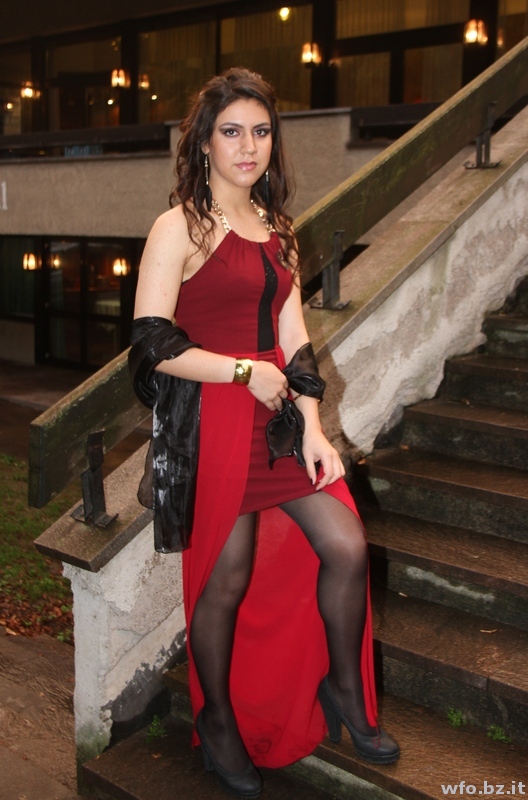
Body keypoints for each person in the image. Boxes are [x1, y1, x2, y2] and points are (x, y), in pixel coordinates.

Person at [130, 67, 399, 800]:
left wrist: (313, 427)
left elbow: (295, 338)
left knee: (346, 546)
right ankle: (217, 720)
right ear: (204, 142)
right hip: (213, 423)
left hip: (278, 421)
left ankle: (343, 689)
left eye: (260, 131)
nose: (248, 147)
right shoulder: (178, 226)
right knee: (226, 580)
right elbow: (152, 343)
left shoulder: (277, 227)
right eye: (231, 132)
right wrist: (245, 372)